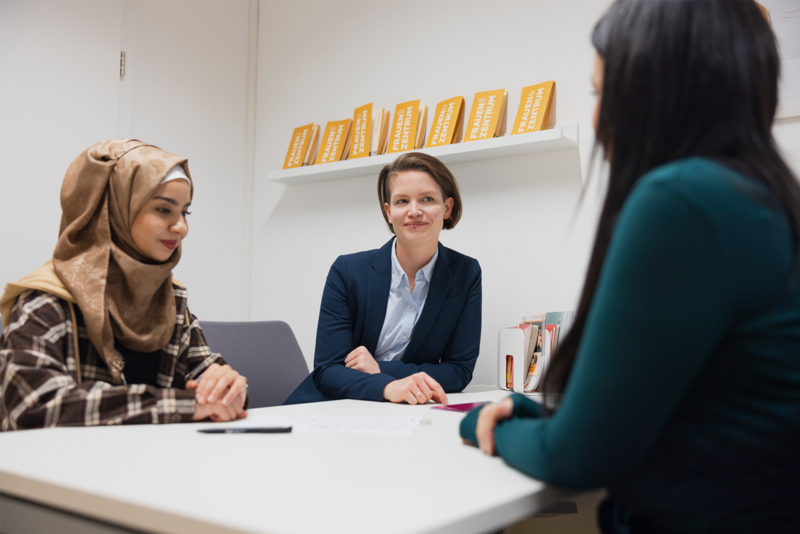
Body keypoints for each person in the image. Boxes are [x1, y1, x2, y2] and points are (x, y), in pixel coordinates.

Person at [460, 1, 800, 533]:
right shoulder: (766, 197)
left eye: (600, 92)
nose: (597, 117)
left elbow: (578, 457)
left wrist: (484, 424)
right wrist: (544, 419)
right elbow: (685, 413)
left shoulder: (683, 201)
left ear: (655, 89)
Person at [0, 139, 248, 429]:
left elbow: (208, 377)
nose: (181, 227)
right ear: (112, 211)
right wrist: (185, 404)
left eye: (185, 212)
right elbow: (31, 406)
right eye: (164, 210)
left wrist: (229, 387)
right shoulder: (45, 300)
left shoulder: (170, 299)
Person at [285, 152, 482, 405]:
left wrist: (380, 369)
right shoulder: (347, 271)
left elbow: (459, 371)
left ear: (447, 207)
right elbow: (328, 370)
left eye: (427, 199)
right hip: (330, 406)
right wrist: (388, 387)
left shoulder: (466, 273)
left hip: (406, 410)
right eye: (402, 201)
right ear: (389, 212)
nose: (414, 211)